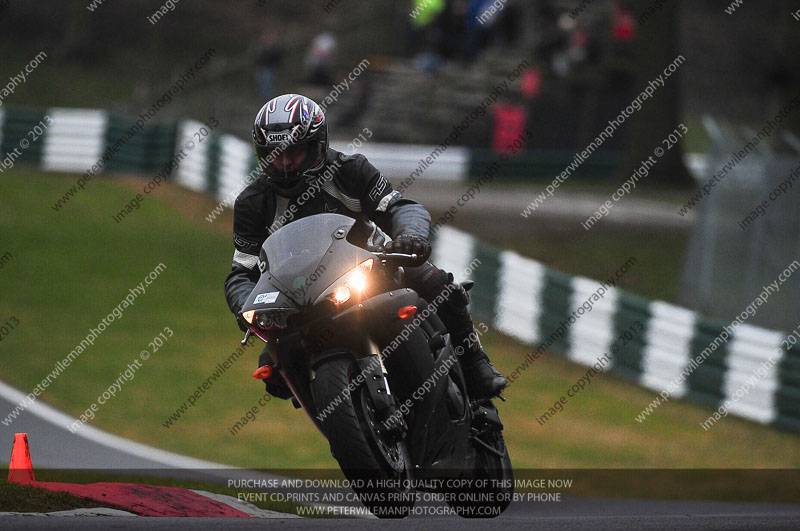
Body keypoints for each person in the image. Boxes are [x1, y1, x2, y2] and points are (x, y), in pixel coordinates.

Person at [224, 93, 507, 401]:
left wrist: (410, 235)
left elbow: (401, 208)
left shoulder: (349, 170)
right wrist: (245, 306)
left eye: (295, 152)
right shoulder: (252, 203)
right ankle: (343, 424)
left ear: (317, 146)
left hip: (373, 267)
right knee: (275, 371)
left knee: (437, 282)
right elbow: (242, 271)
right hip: (301, 298)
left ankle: (476, 363)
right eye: (276, 154)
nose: (286, 162)